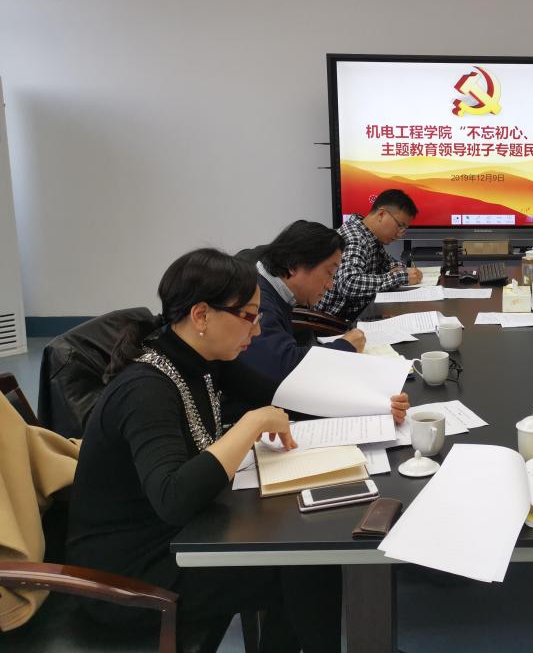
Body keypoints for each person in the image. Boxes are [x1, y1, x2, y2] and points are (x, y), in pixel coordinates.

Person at [65, 249, 355, 651]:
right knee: (305, 566)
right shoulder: (145, 390)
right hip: (131, 571)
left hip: (184, 532)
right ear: (201, 315)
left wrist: (371, 405)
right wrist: (251, 425)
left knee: (306, 558)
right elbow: (173, 498)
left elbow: (279, 396)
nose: (257, 331)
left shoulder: (204, 358)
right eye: (249, 317)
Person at [238, 219, 368, 384]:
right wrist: (345, 347)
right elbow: (283, 368)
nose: (330, 285)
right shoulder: (255, 298)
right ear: (293, 265)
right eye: (329, 272)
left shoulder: (270, 283)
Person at [316, 189, 423, 320]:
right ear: (382, 214)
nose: (400, 234)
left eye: (404, 229)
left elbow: (387, 262)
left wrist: (396, 269)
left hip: (360, 313)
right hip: (337, 322)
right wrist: (400, 277)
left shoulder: (370, 235)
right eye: (400, 226)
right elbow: (349, 283)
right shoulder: (355, 238)